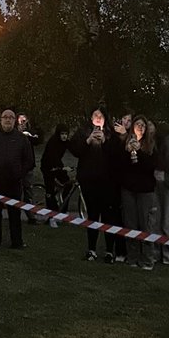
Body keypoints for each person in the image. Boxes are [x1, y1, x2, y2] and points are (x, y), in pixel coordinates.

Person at [0, 109, 34, 249]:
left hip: (14, 181)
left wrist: (20, 173)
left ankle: (16, 241)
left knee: (15, 213)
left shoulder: (22, 138)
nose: (8, 120)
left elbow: (29, 160)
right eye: (5, 117)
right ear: (1, 119)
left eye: (11, 117)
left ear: (15, 120)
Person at [69, 108, 116, 261]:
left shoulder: (111, 134)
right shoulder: (83, 132)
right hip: (89, 181)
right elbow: (75, 150)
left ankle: (109, 251)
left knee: (108, 217)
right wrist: (88, 141)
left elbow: (116, 155)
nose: (98, 118)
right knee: (92, 216)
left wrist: (104, 142)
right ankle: (91, 249)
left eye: (100, 116)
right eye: (95, 115)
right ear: (91, 118)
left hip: (108, 183)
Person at [116, 116, 160, 270]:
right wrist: (126, 152)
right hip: (129, 189)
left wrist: (139, 151)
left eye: (143, 125)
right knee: (130, 224)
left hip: (145, 190)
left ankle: (147, 259)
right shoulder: (126, 143)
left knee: (145, 225)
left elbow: (150, 167)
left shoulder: (150, 146)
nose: (140, 127)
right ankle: (132, 258)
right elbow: (120, 166)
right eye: (137, 124)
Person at [152, 122, 169, 266]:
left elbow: (166, 163)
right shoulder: (149, 142)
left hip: (167, 185)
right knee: (156, 221)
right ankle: (156, 252)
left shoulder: (165, 141)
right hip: (156, 185)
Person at [40, 124, 72, 226]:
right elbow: (52, 158)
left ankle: (62, 211)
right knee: (50, 192)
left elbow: (74, 149)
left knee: (68, 184)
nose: (64, 136)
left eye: (66, 134)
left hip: (57, 165)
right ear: (58, 134)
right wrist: (62, 168)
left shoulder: (66, 142)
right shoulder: (53, 142)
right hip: (48, 167)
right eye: (62, 134)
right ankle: (51, 217)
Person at [16, 113, 41, 225]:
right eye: (21, 121)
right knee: (16, 191)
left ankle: (31, 216)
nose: (23, 123)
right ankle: (15, 215)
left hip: (28, 167)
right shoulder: (14, 133)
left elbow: (37, 140)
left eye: (25, 121)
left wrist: (29, 135)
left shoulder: (30, 133)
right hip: (16, 166)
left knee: (28, 192)